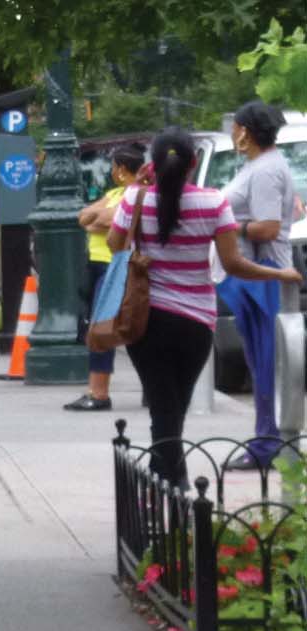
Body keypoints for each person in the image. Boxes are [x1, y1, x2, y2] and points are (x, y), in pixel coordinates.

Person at [108, 128, 302, 487]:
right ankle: (172, 484)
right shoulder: (213, 202)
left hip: (146, 321)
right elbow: (233, 264)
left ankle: (168, 485)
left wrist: (138, 189)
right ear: (193, 163)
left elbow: (114, 244)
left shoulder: (136, 199)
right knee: (173, 409)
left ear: (152, 164)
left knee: (165, 409)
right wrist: (279, 273)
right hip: (195, 323)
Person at [218, 102, 301, 468]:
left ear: (246, 131)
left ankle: (270, 445)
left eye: (235, 127)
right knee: (259, 360)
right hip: (253, 273)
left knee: (268, 362)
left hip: (265, 273)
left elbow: (267, 227)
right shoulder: (258, 167)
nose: (233, 132)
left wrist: (228, 227)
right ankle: (266, 439)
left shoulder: (266, 171)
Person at [68, 143, 144, 412]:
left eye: (113, 167)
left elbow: (106, 220)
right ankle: (100, 389)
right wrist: (100, 218)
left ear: (122, 169)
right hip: (98, 265)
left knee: (103, 329)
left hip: (117, 266)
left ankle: (99, 393)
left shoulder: (137, 195)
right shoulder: (114, 193)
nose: (111, 172)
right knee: (104, 327)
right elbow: (85, 218)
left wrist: (99, 218)